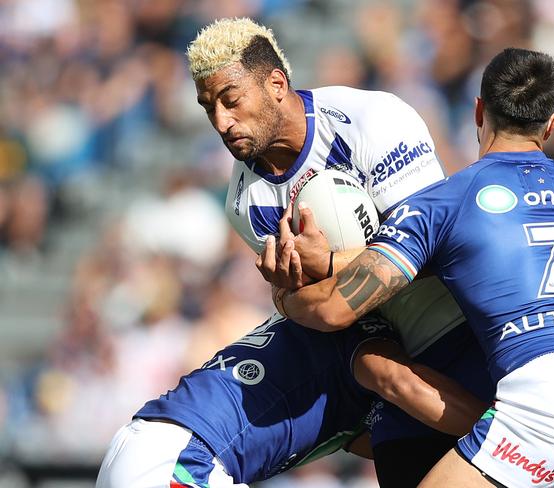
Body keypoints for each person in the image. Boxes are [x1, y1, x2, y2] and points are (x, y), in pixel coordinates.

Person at [96, 17, 493, 487]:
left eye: (231, 100)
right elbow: (315, 311)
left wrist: (324, 269)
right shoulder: (248, 203)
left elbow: (435, 253)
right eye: (208, 108)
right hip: (181, 456)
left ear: (277, 84)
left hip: (464, 334)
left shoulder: (372, 120)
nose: (221, 122)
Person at [275, 47, 554, 487]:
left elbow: (336, 309)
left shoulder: (445, 201)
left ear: (478, 111)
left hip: (544, 392)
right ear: (551, 124)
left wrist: (287, 294)